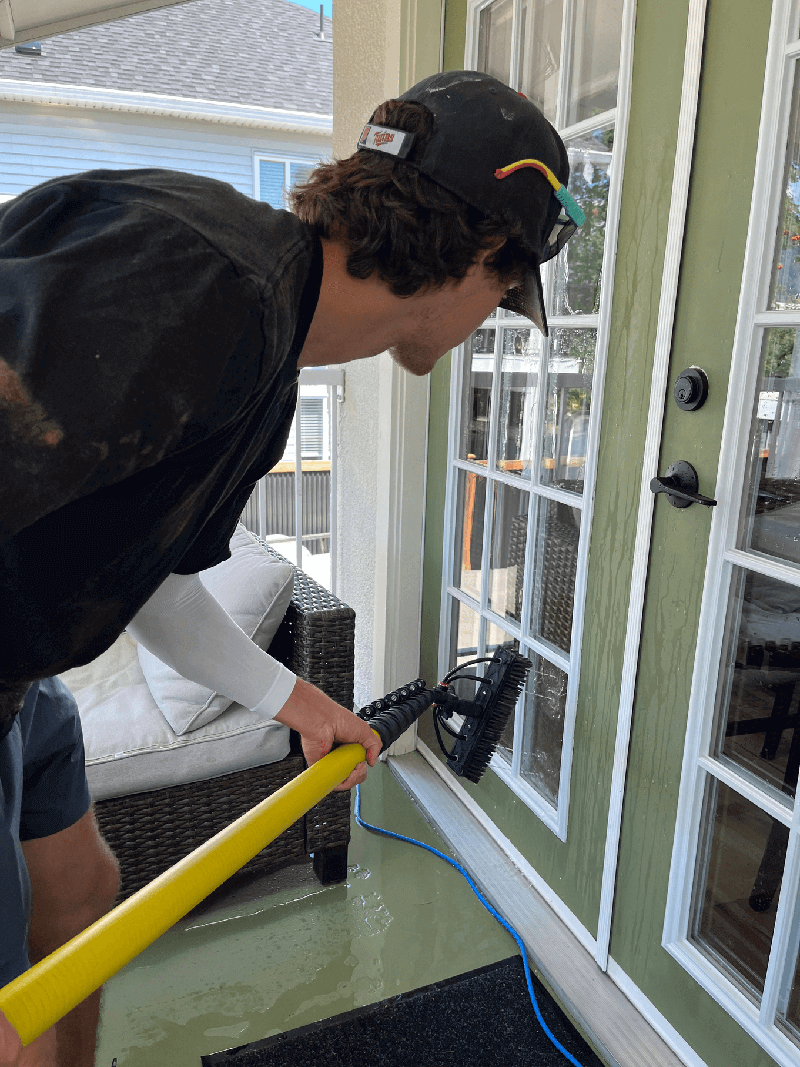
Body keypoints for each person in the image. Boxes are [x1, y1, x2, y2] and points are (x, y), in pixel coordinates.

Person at [0, 70, 583, 1065]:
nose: (490, 318)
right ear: (484, 251)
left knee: (80, 894)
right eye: (501, 293)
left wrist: (298, 703)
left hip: (28, 671)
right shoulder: (198, 274)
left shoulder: (266, 347)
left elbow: (155, 581)